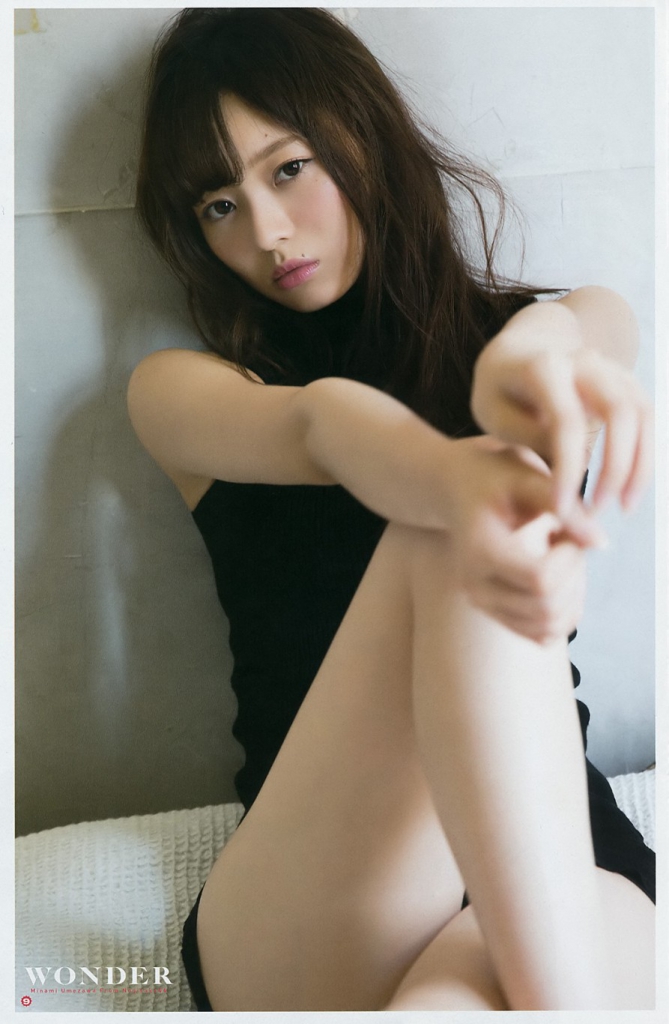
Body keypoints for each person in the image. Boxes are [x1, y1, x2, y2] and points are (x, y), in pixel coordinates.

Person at [128, 8, 655, 1011]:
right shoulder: (182, 392)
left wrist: (526, 361)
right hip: (318, 891)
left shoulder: (546, 334)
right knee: (454, 529)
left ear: (361, 134)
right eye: (219, 206)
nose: (266, 232)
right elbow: (322, 426)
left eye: (289, 169)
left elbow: (574, 335)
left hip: (564, 868)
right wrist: (455, 474)